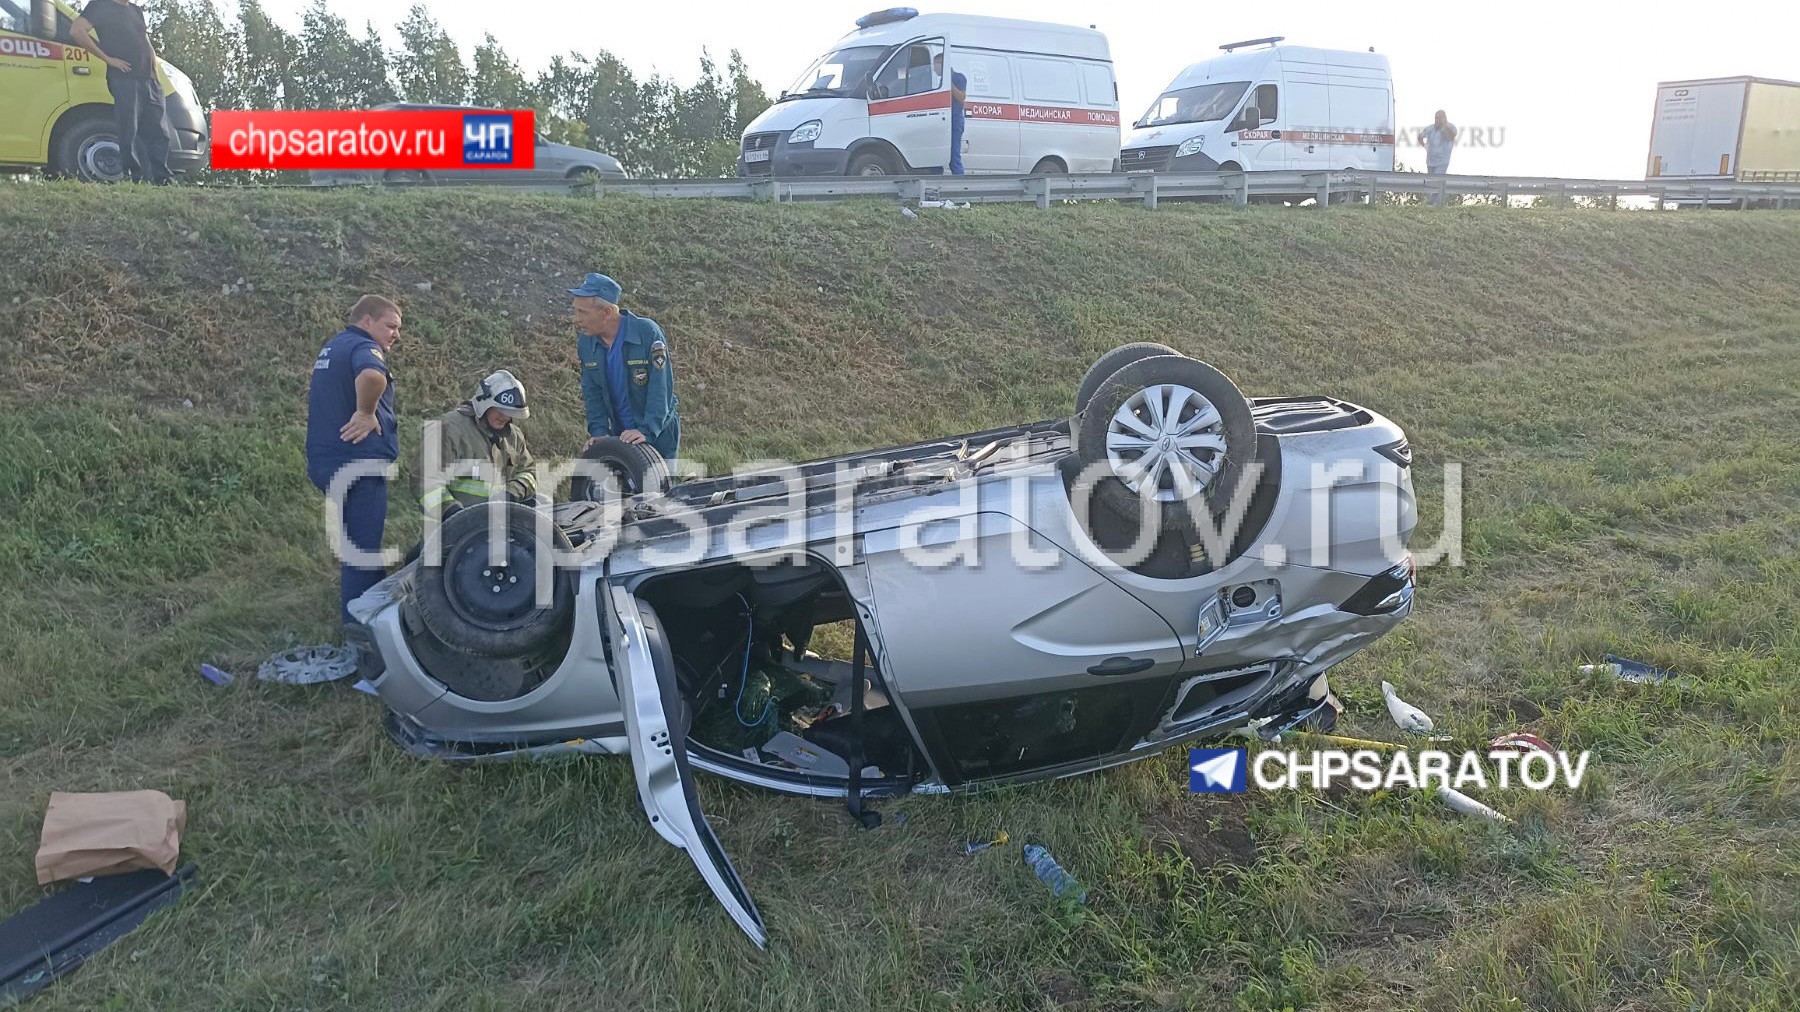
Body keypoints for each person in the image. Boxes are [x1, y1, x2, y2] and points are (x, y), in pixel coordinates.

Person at [305, 295, 401, 626]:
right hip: (358, 464)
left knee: (357, 546)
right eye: (390, 326)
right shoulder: (364, 347)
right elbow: (373, 376)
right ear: (367, 321)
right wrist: (366, 412)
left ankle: (370, 611)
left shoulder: (334, 347)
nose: (395, 335)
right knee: (362, 551)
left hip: (328, 461)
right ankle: (362, 631)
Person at [568, 273, 681, 461]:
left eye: (583, 312)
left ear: (607, 312)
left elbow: (660, 388)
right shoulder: (586, 343)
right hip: (620, 436)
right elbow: (591, 391)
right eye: (576, 311)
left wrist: (647, 431)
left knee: (661, 489)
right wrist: (599, 431)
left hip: (658, 434)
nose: (576, 319)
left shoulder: (647, 333)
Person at [69, 0, 174, 184]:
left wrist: (154, 67)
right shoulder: (100, 6)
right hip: (124, 78)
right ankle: (134, 176)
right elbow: (77, 31)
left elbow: (145, 39)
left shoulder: (135, 9)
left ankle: (161, 178)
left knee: (159, 130)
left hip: (149, 79)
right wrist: (108, 59)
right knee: (129, 129)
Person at [421, 370, 538, 517]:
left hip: (496, 529)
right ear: (485, 404)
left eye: (510, 413)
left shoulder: (513, 437)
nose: (505, 417)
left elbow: (528, 472)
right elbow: (425, 481)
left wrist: (511, 492)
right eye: (500, 410)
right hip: (448, 532)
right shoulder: (446, 430)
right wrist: (452, 512)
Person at [935, 52, 968, 175]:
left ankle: (960, 185)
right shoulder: (937, 80)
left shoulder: (958, 78)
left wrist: (949, 82)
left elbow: (961, 97)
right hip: (940, 120)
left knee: (954, 156)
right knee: (937, 156)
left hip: (954, 120)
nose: (935, 68)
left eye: (937, 64)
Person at [1422, 110, 1458, 176]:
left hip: (1442, 161)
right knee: (1430, 181)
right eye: (1436, 118)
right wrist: (1425, 146)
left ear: (1445, 118)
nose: (1438, 119)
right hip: (1430, 161)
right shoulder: (1430, 128)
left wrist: (1443, 127)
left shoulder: (1451, 127)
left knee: (1437, 179)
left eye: (1440, 117)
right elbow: (1420, 137)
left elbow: (1450, 137)